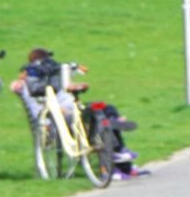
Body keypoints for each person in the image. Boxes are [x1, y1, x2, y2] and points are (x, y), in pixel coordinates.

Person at [9, 47, 144, 176]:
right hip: (59, 120)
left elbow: (71, 80)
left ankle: (117, 145)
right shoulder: (31, 85)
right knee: (100, 122)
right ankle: (118, 158)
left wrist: (73, 78)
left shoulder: (54, 78)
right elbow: (33, 102)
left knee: (106, 110)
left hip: (73, 112)